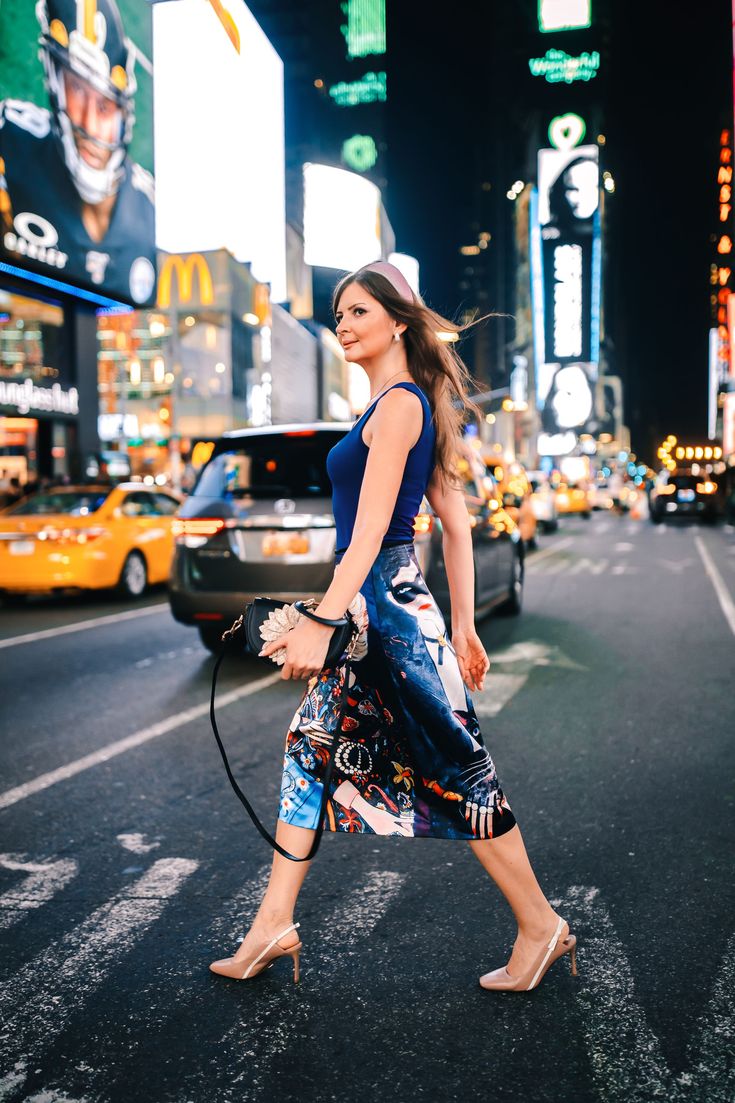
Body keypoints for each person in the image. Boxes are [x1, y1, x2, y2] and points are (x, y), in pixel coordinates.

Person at [209, 262, 578, 991]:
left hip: (389, 614)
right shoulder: (400, 405)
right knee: (309, 749)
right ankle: (271, 924)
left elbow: (376, 528)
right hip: (376, 604)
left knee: (459, 771)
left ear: (397, 322)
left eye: (355, 312)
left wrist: (321, 616)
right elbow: (458, 522)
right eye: (337, 315)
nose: (341, 325)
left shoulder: (401, 405)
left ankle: (541, 925)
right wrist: (465, 625)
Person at [0, 0, 155, 305]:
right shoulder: (12, 139)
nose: (89, 123)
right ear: (55, 81)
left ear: (124, 113)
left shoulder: (147, 207)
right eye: (77, 89)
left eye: (104, 105)